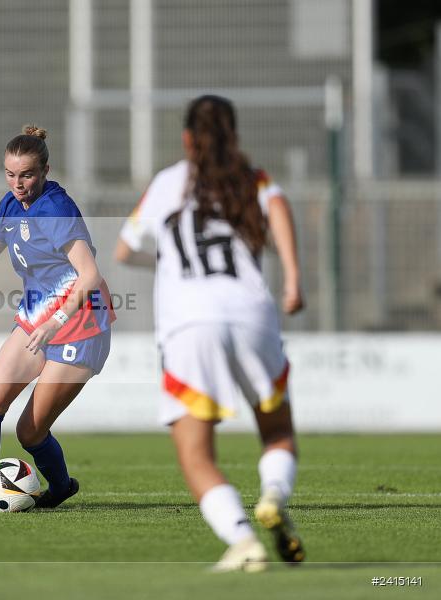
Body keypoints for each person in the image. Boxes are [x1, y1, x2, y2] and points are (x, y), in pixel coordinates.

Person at [115, 96, 305, 571]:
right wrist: (295, 279)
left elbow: (123, 249)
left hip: (190, 323)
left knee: (197, 455)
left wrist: (166, 260)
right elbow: (278, 205)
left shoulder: (167, 183)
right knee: (277, 431)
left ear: (186, 139)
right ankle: (274, 497)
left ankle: (242, 539)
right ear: (234, 136)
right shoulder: (252, 178)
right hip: (252, 313)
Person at [0, 126, 115, 511]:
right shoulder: (9, 205)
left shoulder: (56, 209)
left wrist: (57, 323)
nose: (18, 183)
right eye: (10, 174)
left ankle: (60, 487)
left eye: (27, 175)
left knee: (29, 430)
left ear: (45, 171)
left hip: (81, 323)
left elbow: (90, 276)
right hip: (37, 316)